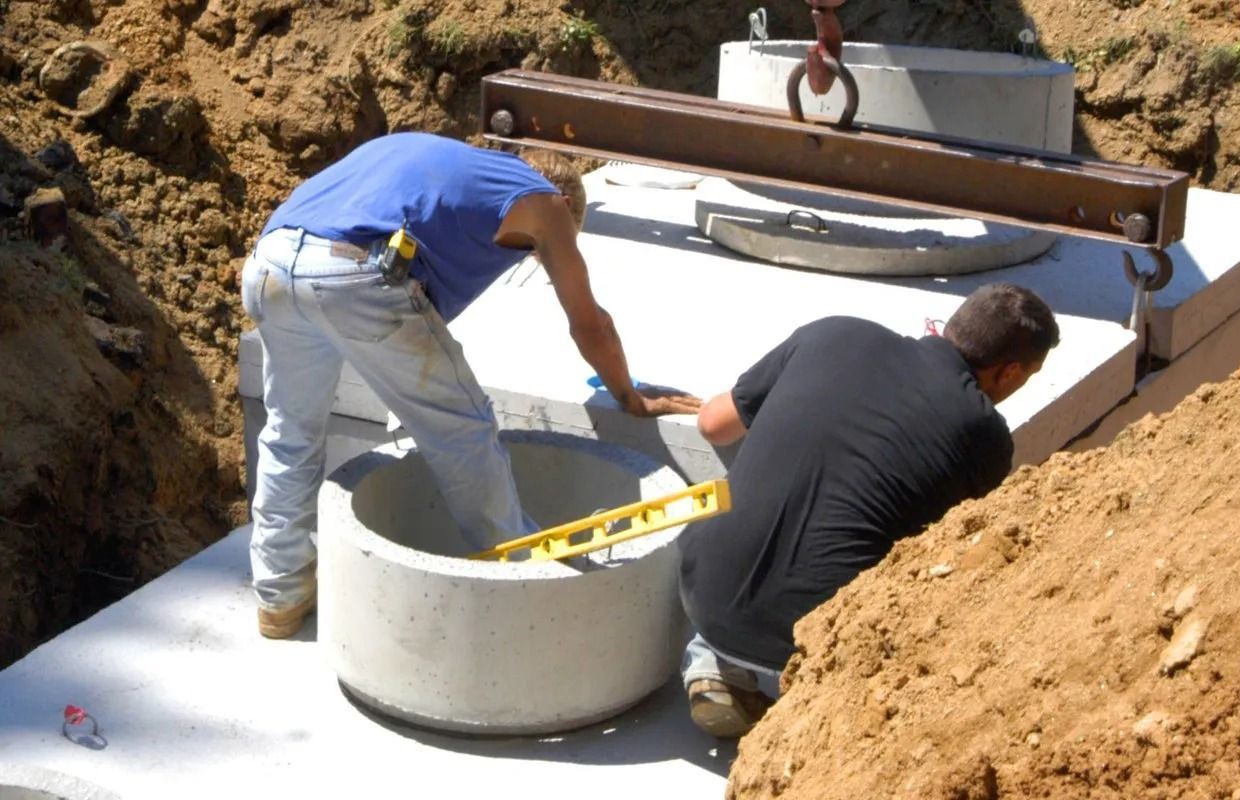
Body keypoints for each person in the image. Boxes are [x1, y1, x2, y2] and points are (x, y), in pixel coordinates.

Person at [241, 132, 700, 639]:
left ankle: (279, 598)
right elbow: (590, 323)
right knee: (464, 433)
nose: (537, 256)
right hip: (352, 276)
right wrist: (629, 395)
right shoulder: (545, 202)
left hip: (271, 262)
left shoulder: (450, 168)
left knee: (291, 434)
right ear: (567, 204)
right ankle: (522, 587)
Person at [677, 283, 1059, 738]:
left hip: (704, 594)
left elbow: (713, 424)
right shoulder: (984, 434)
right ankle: (810, 706)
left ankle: (712, 664)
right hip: (817, 640)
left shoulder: (833, 334)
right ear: (1011, 372)